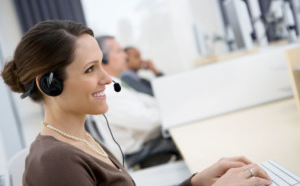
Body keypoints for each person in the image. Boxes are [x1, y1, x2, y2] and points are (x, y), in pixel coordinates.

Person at [1, 20, 272, 186]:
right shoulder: (56, 162)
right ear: (49, 84)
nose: (107, 78)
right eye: (90, 69)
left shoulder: (79, 139)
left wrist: (196, 182)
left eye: (100, 64)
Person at [94, 36, 180, 169]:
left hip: (152, 145)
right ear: (102, 59)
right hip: (143, 155)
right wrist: (171, 110)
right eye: (119, 51)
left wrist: (169, 106)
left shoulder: (117, 84)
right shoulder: (107, 93)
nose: (125, 56)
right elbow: (147, 120)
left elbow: (149, 102)